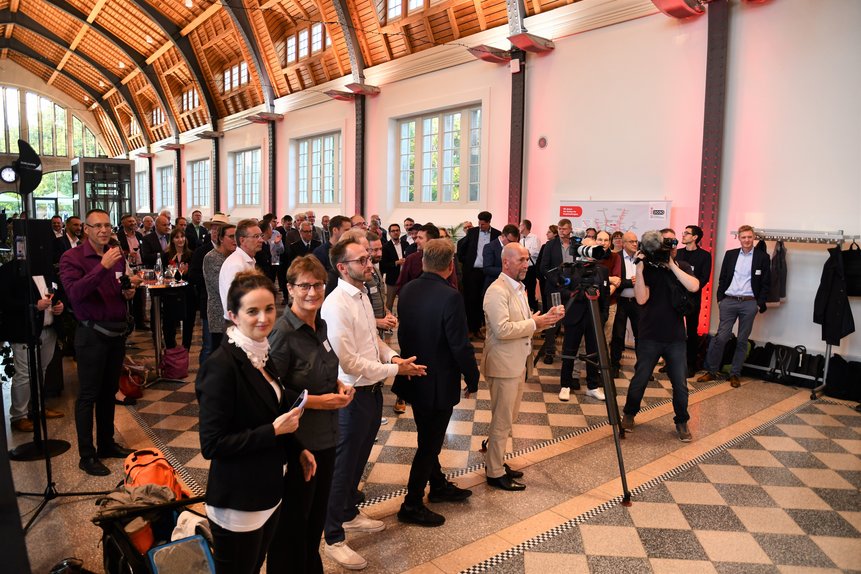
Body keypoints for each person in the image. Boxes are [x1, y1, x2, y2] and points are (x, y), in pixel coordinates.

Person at [196, 271, 315, 574]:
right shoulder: (222, 366)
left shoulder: (259, 353)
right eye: (252, 311)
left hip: (268, 489)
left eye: (270, 308)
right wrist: (274, 431)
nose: (263, 318)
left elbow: (272, 408)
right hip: (239, 500)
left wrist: (297, 448)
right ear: (232, 315)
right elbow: (213, 444)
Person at [321, 236, 426, 571]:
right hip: (351, 396)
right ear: (342, 267)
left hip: (371, 392)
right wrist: (396, 368)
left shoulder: (363, 295)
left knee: (358, 460)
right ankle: (332, 536)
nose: (369, 264)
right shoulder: (336, 304)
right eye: (362, 260)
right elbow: (349, 362)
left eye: (368, 258)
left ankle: (349, 513)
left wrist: (393, 355)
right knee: (342, 466)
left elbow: (373, 341)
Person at [266, 256, 352, 573]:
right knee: (292, 526)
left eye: (317, 285)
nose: (312, 292)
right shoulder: (283, 333)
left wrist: (339, 384)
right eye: (304, 285)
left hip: (327, 437)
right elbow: (271, 392)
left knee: (314, 521)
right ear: (290, 289)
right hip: (301, 444)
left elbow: (321, 368)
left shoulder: (321, 324)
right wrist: (318, 401)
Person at [393, 239, 479, 526]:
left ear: (424, 261)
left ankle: (439, 485)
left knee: (426, 436)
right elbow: (459, 344)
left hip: (413, 375)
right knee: (429, 444)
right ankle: (412, 503)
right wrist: (473, 375)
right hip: (440, 382)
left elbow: (404, 334)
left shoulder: (407, 289)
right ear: (451, 264)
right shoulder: (450, 296)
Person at [59, 209, 137, 476]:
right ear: (86, 230)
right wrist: (101, 266)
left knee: (108, 393)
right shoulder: (72, 257)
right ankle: (86, 455)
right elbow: (75, 294)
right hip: (91, 336)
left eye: (107, 225)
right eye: (97, 226)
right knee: (88, 396)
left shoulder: (116, 255)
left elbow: (115, 289)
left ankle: (106, 444)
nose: (104, 230)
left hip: (116, 335)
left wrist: (127, 292)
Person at [482, 244, 563, 491]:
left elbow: (524, 323)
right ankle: (494, 471)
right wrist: (534, 322)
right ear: (506, 262)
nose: (527, 264)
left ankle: (496, 460)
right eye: (522, 260)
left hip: (516, 363)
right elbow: (503, 330)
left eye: (527, 259)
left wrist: (544, 320)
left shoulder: (518, 288)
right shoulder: (497, 291)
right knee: (502, 419)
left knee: (509, 417)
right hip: (503, 365)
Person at [621, 231, 700, 441]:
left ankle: (682, 421)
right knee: (640, 377)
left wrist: (671, 265)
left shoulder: (682, 267)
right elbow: (641, 299)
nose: (667, 247)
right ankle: (629, 414)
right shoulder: (646, 268)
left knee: (680, 384)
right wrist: (639, 267)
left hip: (675, 337)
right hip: (650, 334)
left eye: (670, 243)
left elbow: (694, 285)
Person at [698, 225, 770, 388]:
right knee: (721, 337)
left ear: (754, 238)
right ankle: (711, 371)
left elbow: (766, 283)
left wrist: (758, 304)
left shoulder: (762, 257)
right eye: (743, 237)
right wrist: (720, 299)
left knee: (742, 340)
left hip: (749, 302)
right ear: (739, 238)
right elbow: (722, 278)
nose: (746, 240)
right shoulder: (730, 255)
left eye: (749, 237)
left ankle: (735, 374)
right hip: (728, 301)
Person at [0, 259, 65, 432]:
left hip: (48, 329)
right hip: (24, 330)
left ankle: (37, 408)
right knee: (24, 374)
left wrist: (60, 305)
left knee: (41, 371)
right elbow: (5, 301)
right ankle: (19, 416)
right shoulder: (11, 270)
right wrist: (33, 306)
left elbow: (57, 292)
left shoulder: (46, 268)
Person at [552, 238, 611, 402]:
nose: (592, 251)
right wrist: (574, 293)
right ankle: (565, 385)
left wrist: (604, 315)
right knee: (569, 352)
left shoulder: (602, 270)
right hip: (574, 314)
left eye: (594, 248)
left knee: (594, 352)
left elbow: (605, 296)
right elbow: (561, 290)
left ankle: (593, 386)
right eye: (588, 248)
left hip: (594, 317)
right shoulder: (570, 268)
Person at [675, 225, 712, 376]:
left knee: (691, 331)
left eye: (687, 233)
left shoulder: (704, 256)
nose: (683, 235)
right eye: (683, 232)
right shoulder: (677, 253)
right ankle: (672, 362)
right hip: (676, 297)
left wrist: (691, 287)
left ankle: (690, 364)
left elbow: (704, 278)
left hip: (692, 299)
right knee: (674, 331)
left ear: (695, 237)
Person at [458, 211, 501, 339]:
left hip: (488, 272)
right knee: (471, 300)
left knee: (484, 301)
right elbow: (462, 247)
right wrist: (466, 260)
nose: (480, 226)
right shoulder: (472, 232)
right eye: (479, 223)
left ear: (489, 222)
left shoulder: (496, 234)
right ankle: (471, 328)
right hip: (472, 272)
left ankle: (480, 328)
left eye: (483, 224)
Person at [539, 218, 575, 364]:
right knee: (552, 322)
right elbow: (544, 267)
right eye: (559, 229)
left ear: (570, 229)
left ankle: (568, 352)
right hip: (554, 288)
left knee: (570, 321)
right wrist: (556, 281)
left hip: (572, 289)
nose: (561, 231)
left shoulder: (576, 245)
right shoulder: (550, 245)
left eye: (564, 229)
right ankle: (549, 351)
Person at [610, 231, 641, 379]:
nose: (635, 244)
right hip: (621, 301)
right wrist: (630, 282)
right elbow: (615, 280)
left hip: (638, 302)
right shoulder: (616, 258)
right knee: (618, 335)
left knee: (640, 336)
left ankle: (642, 368)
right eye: (631, 241)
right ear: (623, 243)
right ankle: (614, 365)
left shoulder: (642, 259)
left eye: (636, 241)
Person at [219, 219, 263, 320]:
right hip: (239, 322)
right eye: (256, 236)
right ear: (242, 240)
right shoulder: (236, 265)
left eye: (261, 236)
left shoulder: (247, 260)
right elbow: (236, 301)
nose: (261, 240)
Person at [161, 228, 196, 349]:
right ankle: (171, 350)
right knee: (169, 324)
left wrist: (187, 272)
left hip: (187, 293)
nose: (180, 240)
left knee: (188, 324)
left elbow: (194, 275)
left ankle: (185, 350)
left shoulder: (191, 254)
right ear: (172, 240)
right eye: (177, 237)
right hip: (171, 294)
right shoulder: (166, 256)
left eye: (182, 237)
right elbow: (162, 274)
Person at [204, 224, 237, 350]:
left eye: (236, 236)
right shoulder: (212, 257)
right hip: (218, 313)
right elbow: (221, 287)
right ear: (221, 239)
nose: (235, 240)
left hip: (232, 313)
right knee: (216, 353)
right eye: (231, 236)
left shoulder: (233, 256)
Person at [595, 230, 622, 349]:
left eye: (606, 240)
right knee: (589, 334)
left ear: (610, 242)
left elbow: (616, 281)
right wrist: (608, 278)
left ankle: (603, 365)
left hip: (610, 302)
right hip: (591, 301)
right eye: (600, 239)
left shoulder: (615, 257)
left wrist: (605, 295)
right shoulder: (590, 255)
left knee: (606, 335)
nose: (603, 243)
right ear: (596, 240)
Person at [483, 224, 520, 291]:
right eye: (510, 241)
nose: (513, 244)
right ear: (503, 236)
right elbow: (487, 269)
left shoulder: (515, 246)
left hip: (511, 287)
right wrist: (508, 270)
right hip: (494, 287)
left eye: (515, 242)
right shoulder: (490, 247)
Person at [380, 222, 405, 311]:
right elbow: (383, 265)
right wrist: (396, 263)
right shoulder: (386, 247)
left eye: (397, 230)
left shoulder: (406, 244)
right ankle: (388, 320)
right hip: (392, 279)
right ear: (389, 233)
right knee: (389, 303)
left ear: (400, 232)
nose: (395, 232)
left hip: (404, 278)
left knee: (404, 301)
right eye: (393, 231)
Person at [519, 220, 541, 312]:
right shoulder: (521, 240)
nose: (519, 227)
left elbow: (537, 252)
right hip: (522, 268)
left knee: (531, 292)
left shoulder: (534, 238)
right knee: (521, 291)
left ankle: (534, 312)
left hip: (531, 269)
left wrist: (526, 253)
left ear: (524, 226)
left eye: (520, 225)